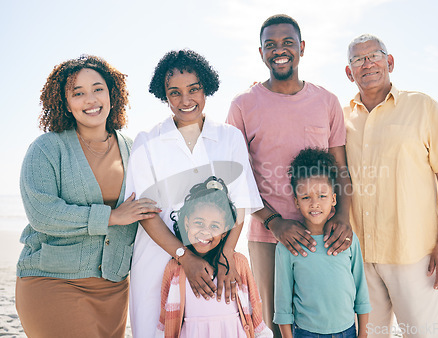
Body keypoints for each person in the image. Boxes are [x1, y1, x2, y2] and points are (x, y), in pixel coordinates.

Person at [15, 55, 161, 338]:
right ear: (65, 102)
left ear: (111, 93)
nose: (90, 99)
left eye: (97, 89)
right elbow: (42, 213)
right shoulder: (46, 148)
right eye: (78, 93)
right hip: (52, 279)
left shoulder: (134, 149)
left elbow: (152, 209)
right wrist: (113, 217)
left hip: (113, 287)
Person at [226, 14, 353, 336]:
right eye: (271, 45)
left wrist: (343, 217)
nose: (279, 50)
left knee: (325, 320)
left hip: (324, 233)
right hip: (268, 235)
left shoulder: (327, 102)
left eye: (287, 43)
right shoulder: (243, 105)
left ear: (302, 48)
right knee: (273, 322)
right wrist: (274, 222)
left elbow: (341, 170)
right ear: (261, 53)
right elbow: (235, 179)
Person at [126, 49, 263, 337]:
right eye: (174, 92)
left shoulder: (229, 137)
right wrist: (184, 257)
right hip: (156, 261)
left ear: (206, 89)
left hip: (215, 264)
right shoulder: (147, 142)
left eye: (194, 89)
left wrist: (226, 253)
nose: (185, 100)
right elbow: (144, 212)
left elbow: (240, 205)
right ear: (164, 95)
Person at [344, 34, 438, 337]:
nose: (367, 63)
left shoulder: (423, 107)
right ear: (349, 72)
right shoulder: (341, 119)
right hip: (361, 257)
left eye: (374, 55)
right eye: (358, 59)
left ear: (390, 62)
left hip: (415, 255)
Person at [156, 176, 272, 338]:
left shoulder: (238, 263)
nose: (205, 231)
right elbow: (165, 317)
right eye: (199, 223)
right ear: (187, 223)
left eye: (215, 226)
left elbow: (255, 309)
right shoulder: (175, 268)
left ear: (225, 231)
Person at [274, 148, 371, 338]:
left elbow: (361, 290)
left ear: (334, 198)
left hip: (348, 331)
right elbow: (283, 301)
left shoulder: (347, 239)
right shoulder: (287, 246)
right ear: (296, 202)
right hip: (306, 333)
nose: (314, 203)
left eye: (322, 195)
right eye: (305, 197)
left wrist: (364, 334)